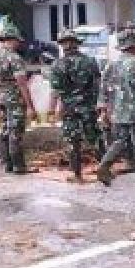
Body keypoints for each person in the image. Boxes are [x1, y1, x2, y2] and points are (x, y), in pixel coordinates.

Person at [97, 27, 135, 187]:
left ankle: (104, 165)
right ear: (133, 45)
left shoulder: (111, 65)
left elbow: (103, 89)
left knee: (120, 141)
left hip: (117, 111)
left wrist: (104, 111)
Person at [49, 30, 104, 183]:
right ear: (76, 43)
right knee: (95, 138)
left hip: (69, 109)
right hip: (89, 107)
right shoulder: (90, 61)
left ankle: (77, 175)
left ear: (62, 45)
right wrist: (101, 104)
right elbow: (99, 85)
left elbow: (55, 91)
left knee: (73, 142)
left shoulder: (57, 65)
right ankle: (105, 169)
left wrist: (51, 110)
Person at [0, 21, 37, 175]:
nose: (19, 44)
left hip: (0, 98)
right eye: (17, 41)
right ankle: (19, 166)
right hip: (14, 99)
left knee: (5, 131)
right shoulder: (14, 58)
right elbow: (22, 83)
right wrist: (30, 106)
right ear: (11, 40)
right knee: (16, 133)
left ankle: (8, 164)